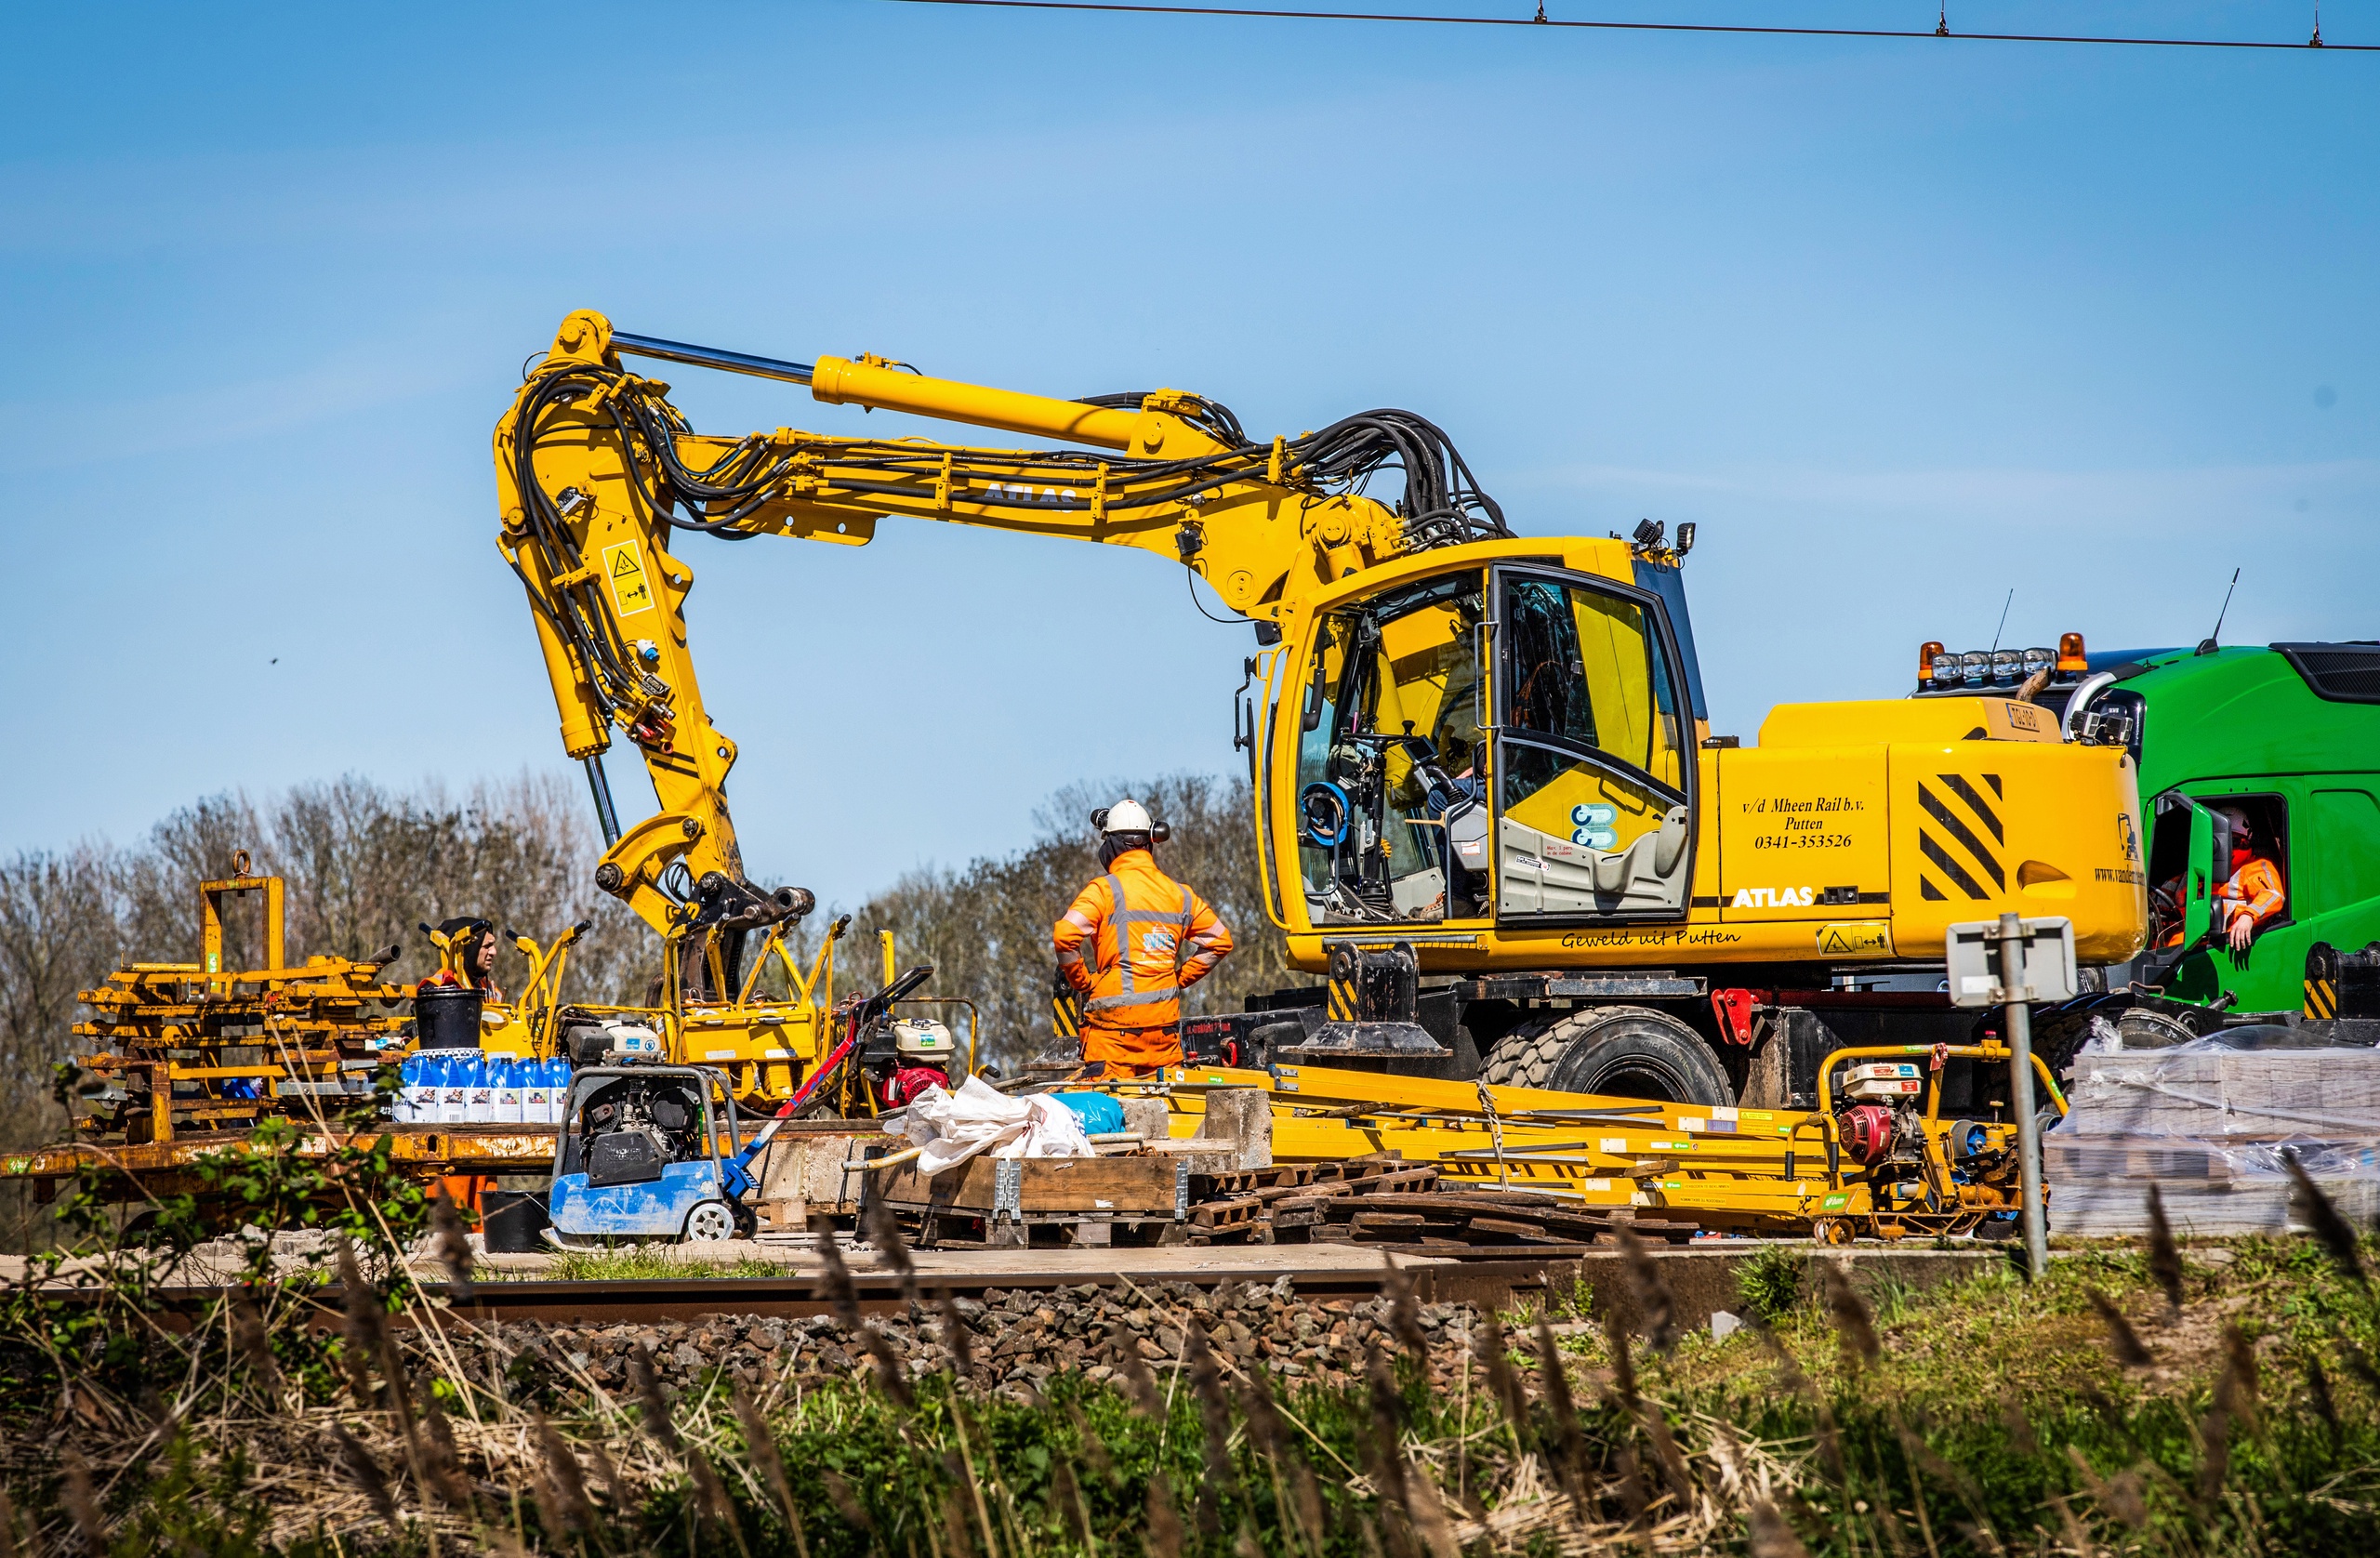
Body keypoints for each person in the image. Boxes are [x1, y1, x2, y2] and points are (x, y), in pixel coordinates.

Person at [1052, 799, 1233, 1077]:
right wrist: (1177, 979)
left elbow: (1065, 935)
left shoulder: (1103, 891)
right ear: (1150, 842)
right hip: (1163, 1037)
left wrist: (1082, 982)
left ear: (1110, 845)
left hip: (1113, 1039)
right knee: (1164, 1111)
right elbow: (1220, 941)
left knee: (1108, 1114)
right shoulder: (1180, 894)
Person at [2211, 805, 2286, 953]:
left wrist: (2248, 917)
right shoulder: (2202, 868)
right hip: (2198, 942)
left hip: (2230, 945)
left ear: (2247, 840)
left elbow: (2274, 894)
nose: (2227, 848)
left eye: (2234, 841)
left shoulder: (2256, 867)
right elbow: (2177, 899)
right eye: (2220, 843)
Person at [422, 916, 505, 1000]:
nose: (494, 952)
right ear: (470, 950)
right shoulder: (434, 989)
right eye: (487, 946)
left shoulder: (492, 990)